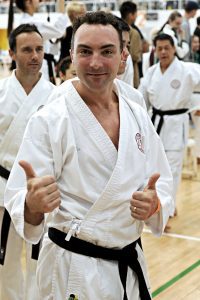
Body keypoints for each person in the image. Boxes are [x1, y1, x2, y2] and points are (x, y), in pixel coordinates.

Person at [5, 12, 173, 300]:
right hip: (73, 269)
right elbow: (22, 200)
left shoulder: (137, 113)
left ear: (122, 56)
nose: (96, 62)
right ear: (71, 55)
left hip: (128, 264)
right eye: (85, 51)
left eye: (106, 51)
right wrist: (32, 205)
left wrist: (154, 206)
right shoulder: (49, 119)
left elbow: (161, 182)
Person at [0, 24, 55, 300]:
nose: (35, 56)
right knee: (5, 264)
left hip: (42, 191)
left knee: (41, 262)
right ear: (12, 53)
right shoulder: (0, 92)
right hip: (2, 186)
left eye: (39, 49)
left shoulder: (56, 96)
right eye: (27, 50)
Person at [138, 33, 200, 219]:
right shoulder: (151, 72)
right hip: (155, 124)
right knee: (154, 169)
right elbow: (142, 100)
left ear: (174, 49)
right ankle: (159, 202)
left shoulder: (188, 69)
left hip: (175, 124)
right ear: (155, 51)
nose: (163, 52)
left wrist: (197, 105)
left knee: (172, 170)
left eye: (167, 48)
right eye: (159, 48)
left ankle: (166, 209)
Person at [8, 0, 68, 83]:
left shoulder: (27, 21)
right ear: (28, 2)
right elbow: (59, 30)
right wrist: (61, 4)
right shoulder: (32, 23)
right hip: (40, 66)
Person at [120, 1, 142, 88]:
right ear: (130, 15)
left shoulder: (114, 30)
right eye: (136, 13)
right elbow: (135, 56)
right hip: (130, 70)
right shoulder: (134, 32)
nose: (136, 16)